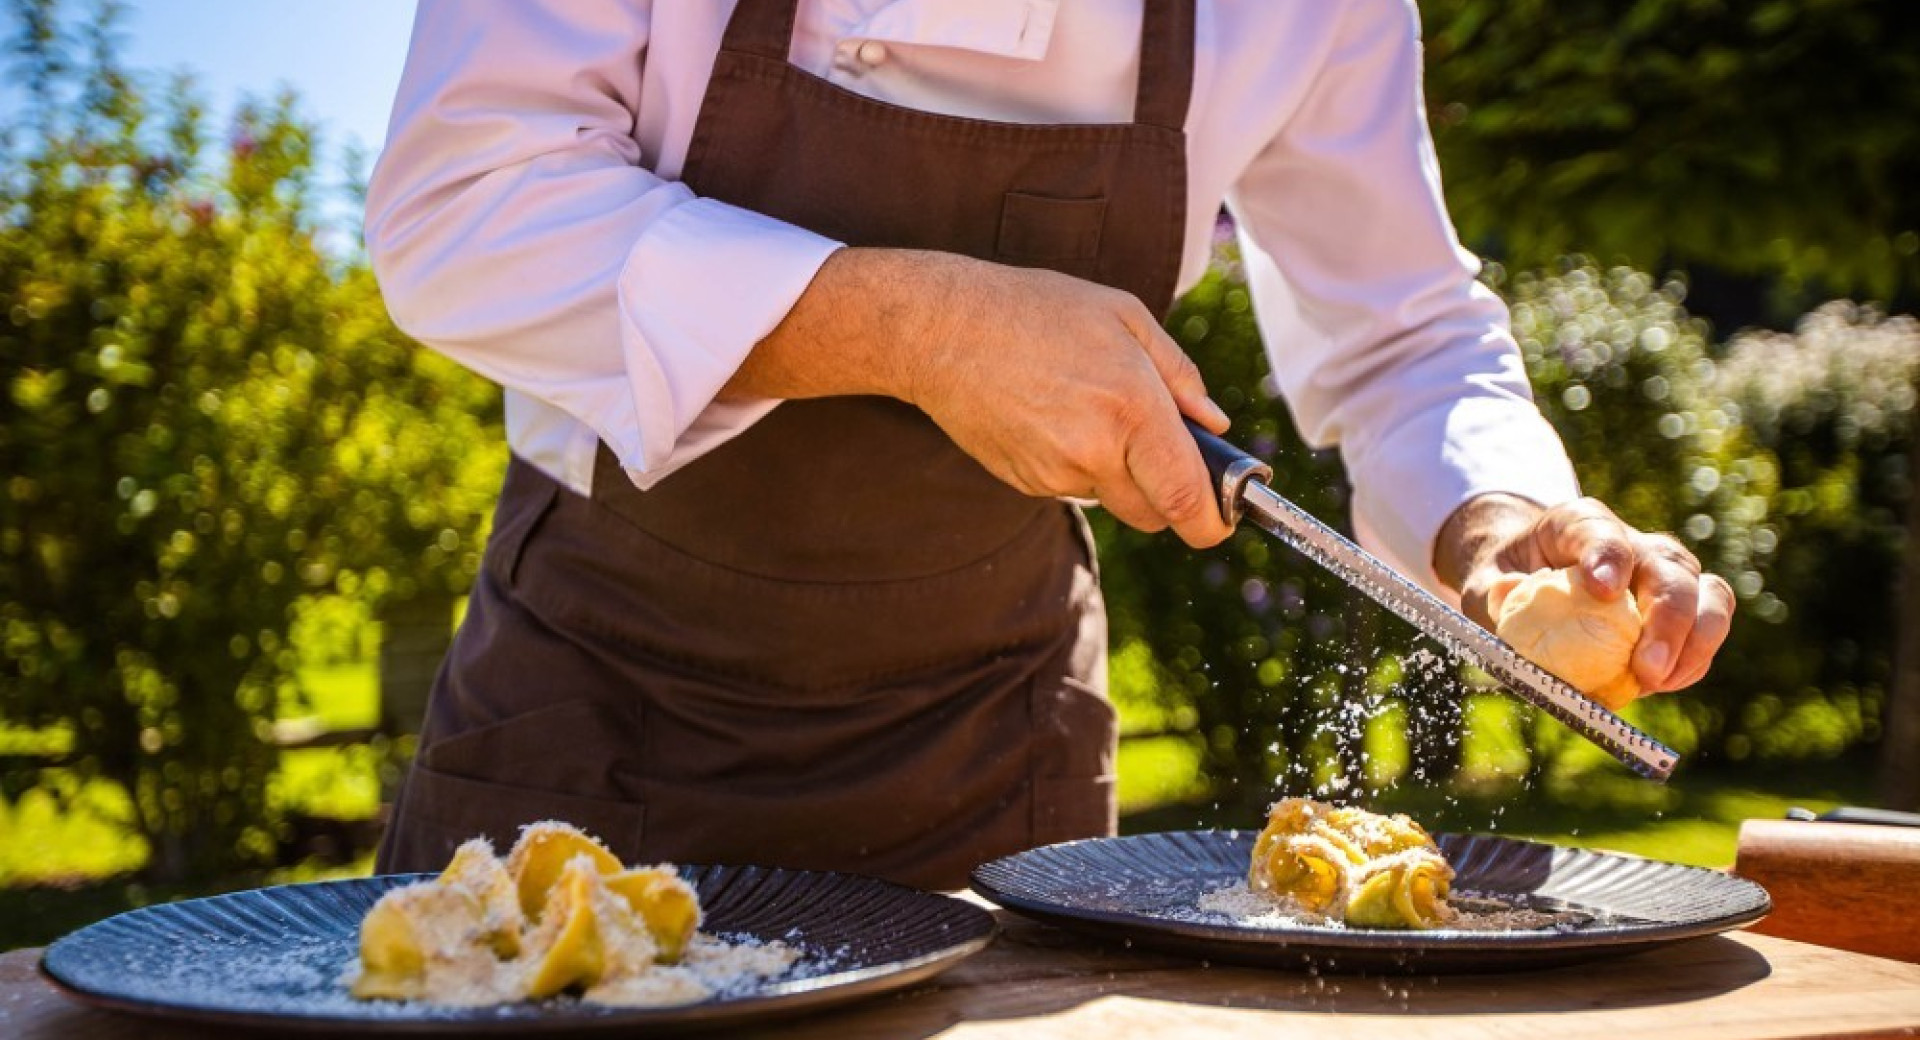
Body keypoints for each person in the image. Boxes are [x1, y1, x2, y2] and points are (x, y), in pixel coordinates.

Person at [365, 0, 1734, 889]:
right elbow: (463, 204)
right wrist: (922, 327)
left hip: (993, 748)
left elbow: (1401, 333)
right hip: (596, 713)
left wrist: (1498, 524)